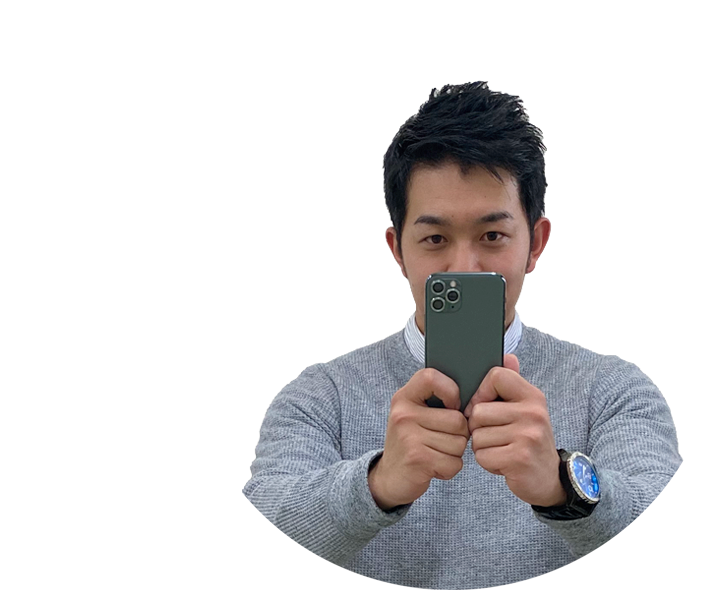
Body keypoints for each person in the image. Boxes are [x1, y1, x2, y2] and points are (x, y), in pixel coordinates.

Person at [243, 82, 682, 590]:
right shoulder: (321, 397)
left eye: (492, 236)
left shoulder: (614, 391)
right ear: (398, 250)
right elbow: (254, 543)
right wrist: (377, 484)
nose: (464, 267)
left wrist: (561, 487)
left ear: (535, 244)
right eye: (434, 238)